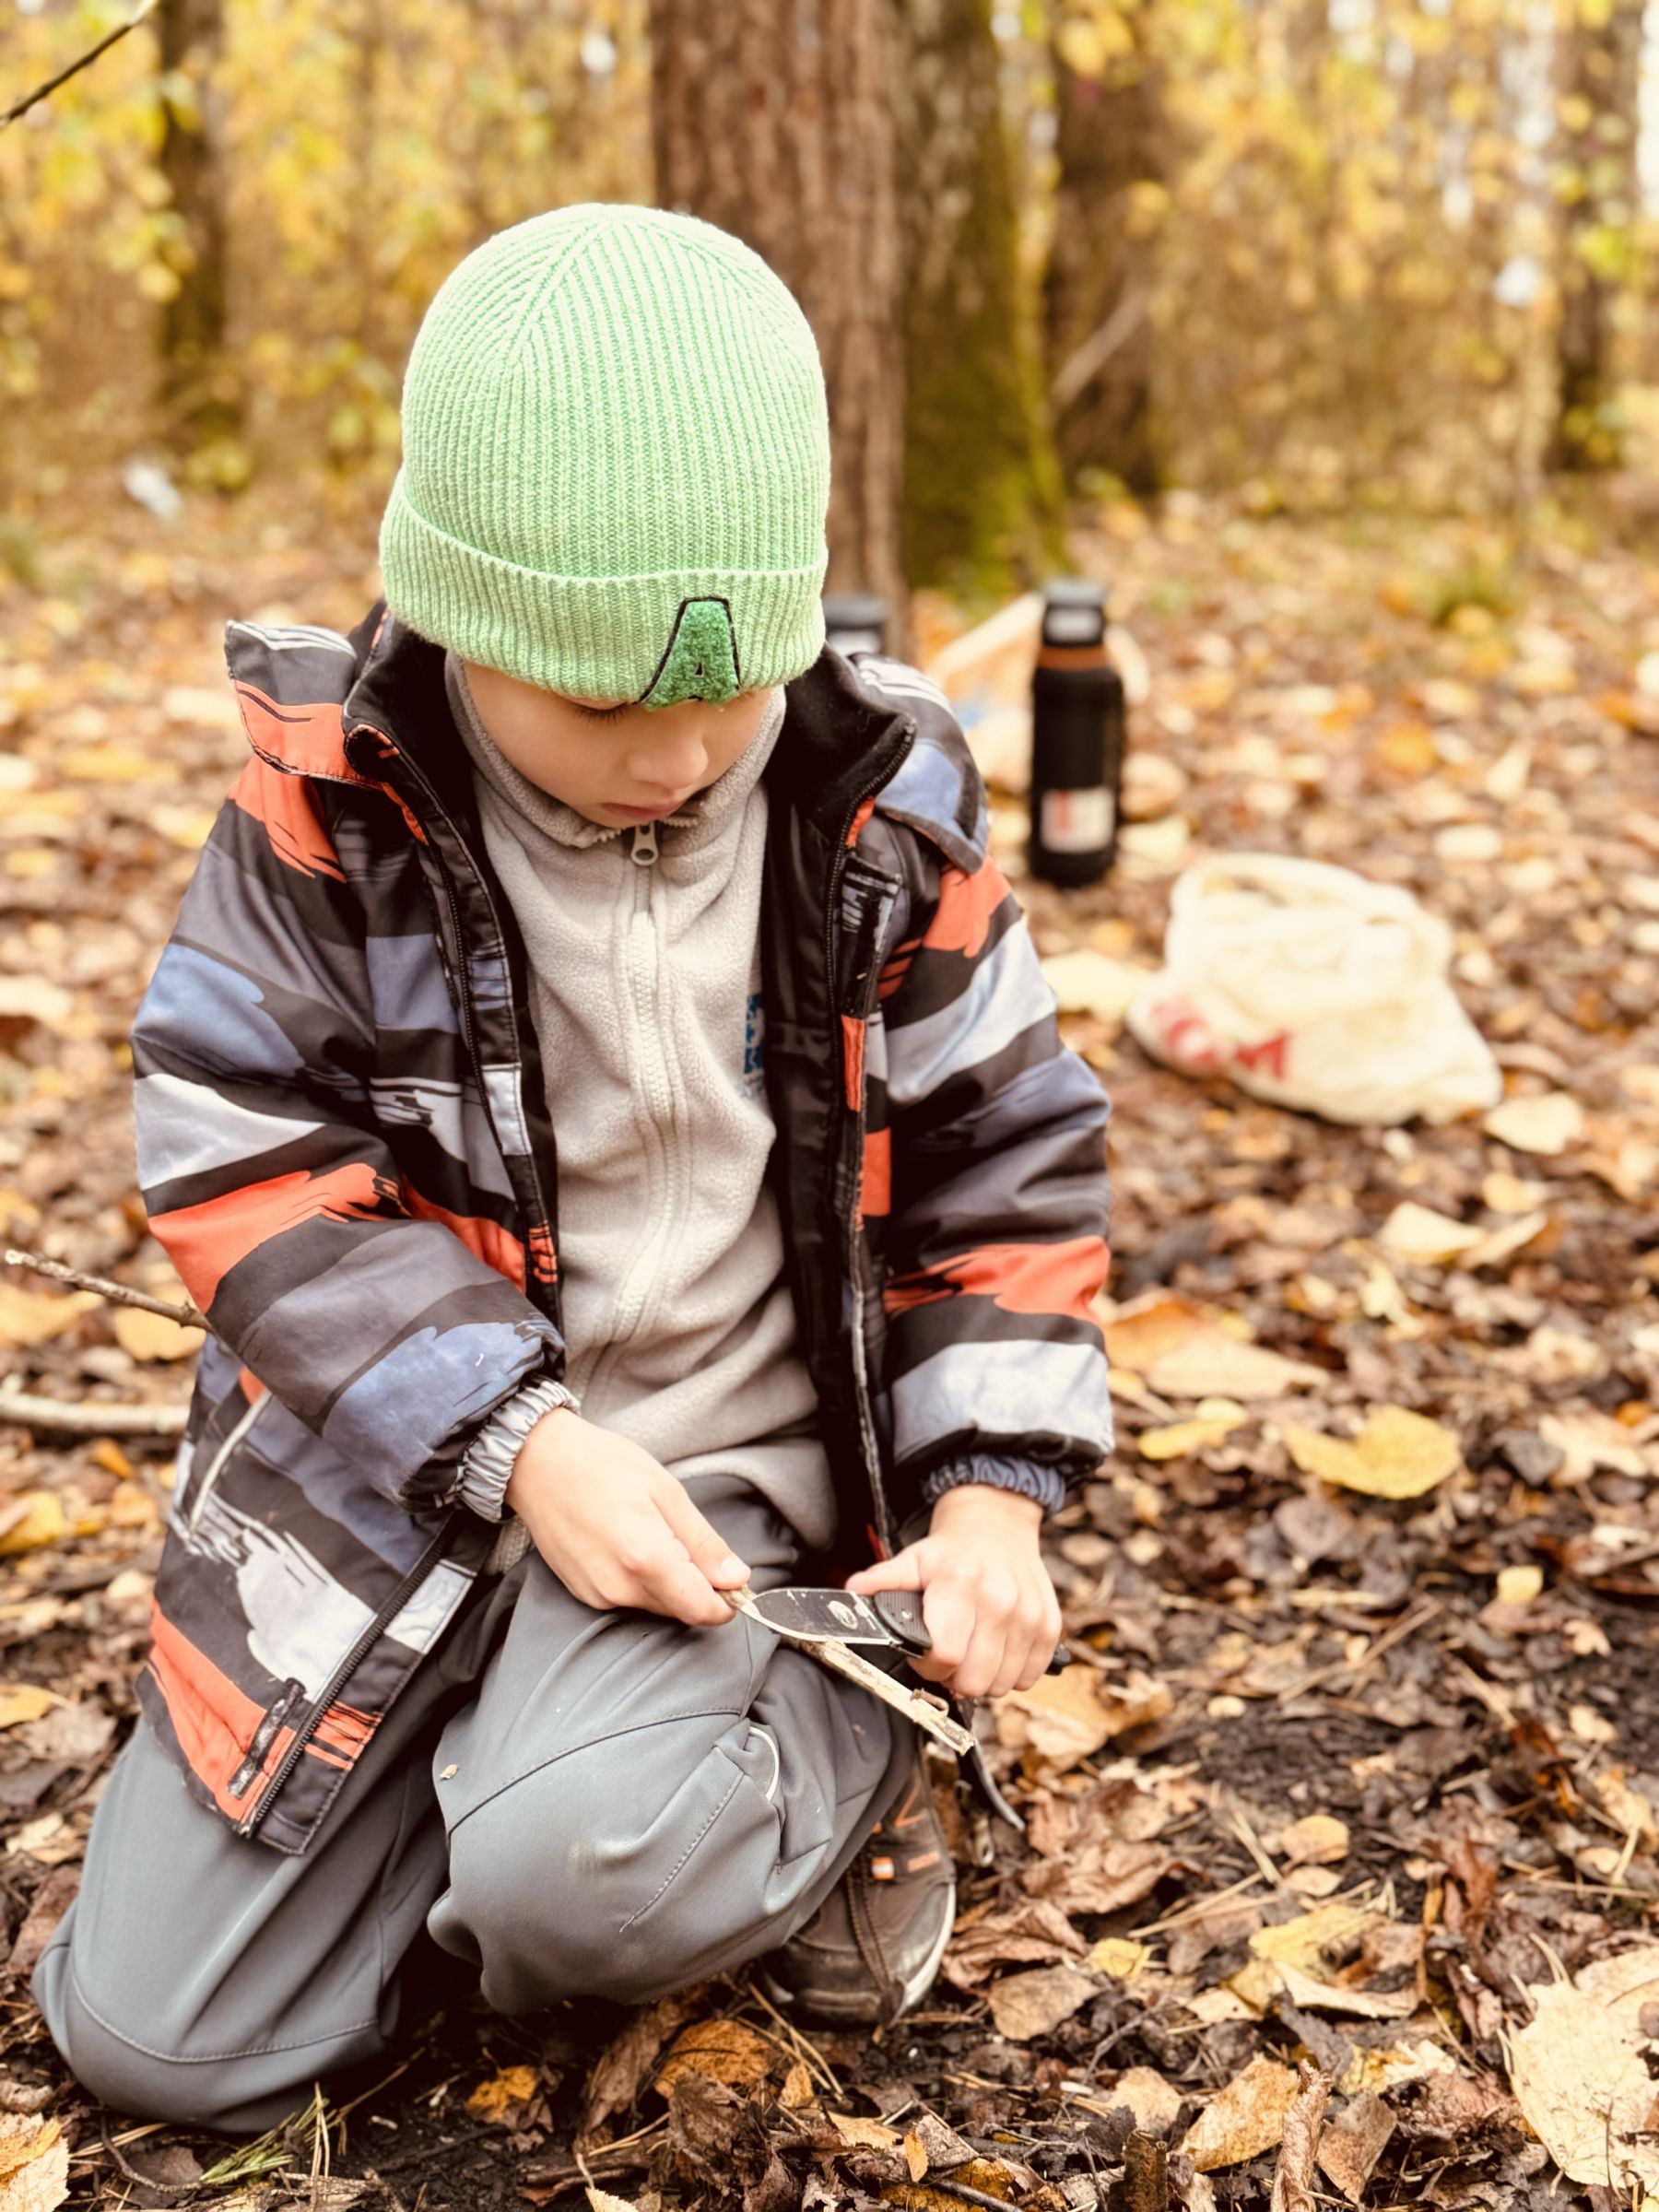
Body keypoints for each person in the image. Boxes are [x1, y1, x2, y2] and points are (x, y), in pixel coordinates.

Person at [34, 205, 1114, 2130]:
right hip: (405, 1480)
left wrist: (990, 1506)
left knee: (578, 1881)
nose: (678, 757)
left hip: (729, 1495)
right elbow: (246, 1155)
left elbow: (1008, 1156)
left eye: (730, 692)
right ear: (462, 625)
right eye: (606, 703)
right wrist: (518, 1444)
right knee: (162, 2045)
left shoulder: (881, 814)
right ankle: (502, 1772)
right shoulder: (329, 812)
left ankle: (841, 1742)